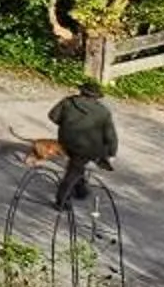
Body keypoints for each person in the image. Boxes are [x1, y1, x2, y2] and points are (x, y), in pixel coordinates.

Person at [50, 80, 119, 209]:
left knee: (77, 164)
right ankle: (62, 200)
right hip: (88, 148)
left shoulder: (68, 102)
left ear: (81, 91)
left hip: (66, 142)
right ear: (97, 97)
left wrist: (67, 126)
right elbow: (110, 135)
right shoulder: (103, 112)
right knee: (73, 171)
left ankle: (81, 190)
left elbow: (53, 116)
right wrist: (112, 152)